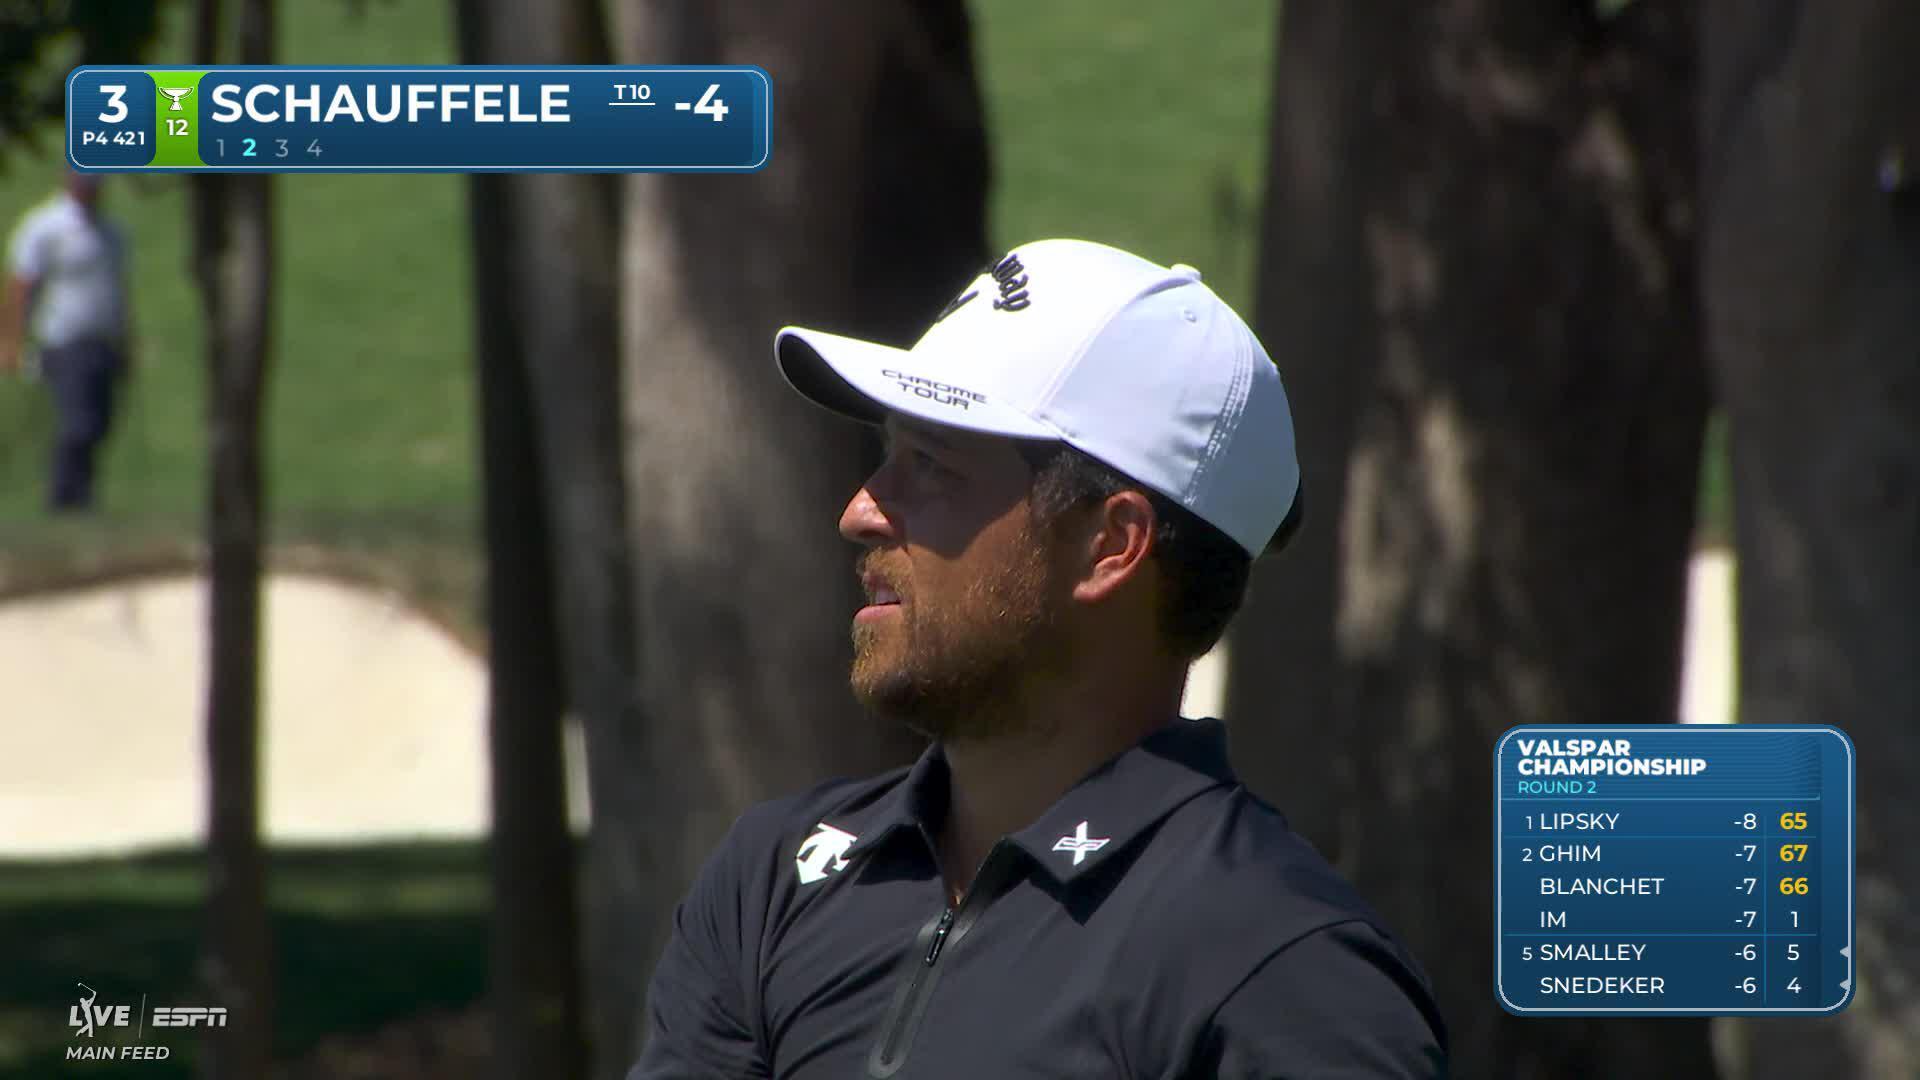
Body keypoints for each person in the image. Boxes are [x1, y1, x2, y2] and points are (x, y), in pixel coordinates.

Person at [629, 239, 1448, 1078]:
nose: (861, 511)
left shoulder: (1282, 970)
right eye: (888, 456)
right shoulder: (770, 883)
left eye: (933, 466)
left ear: (1110, 544)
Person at [2, 171, 133, 512]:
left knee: (102, 422)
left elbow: (119, 291)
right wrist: (10, 340)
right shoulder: (46, 227)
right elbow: (22, 287)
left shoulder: (111, 232)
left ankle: (82, 495)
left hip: (103, 339)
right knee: (79, 422)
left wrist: (127, 341)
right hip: (63, 339)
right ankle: (64, 498)